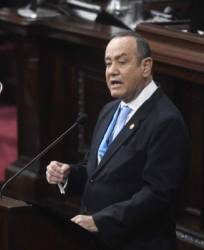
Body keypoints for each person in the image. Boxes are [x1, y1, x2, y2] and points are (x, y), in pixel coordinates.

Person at [46, 31, 190, 250]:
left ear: (146, 66)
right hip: (98, 240)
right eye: (107, 63)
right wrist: (69, 174)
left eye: (122, 62)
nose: (112, 71)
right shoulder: (109, 110)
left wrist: (101, 222)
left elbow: (158, 195)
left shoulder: (166, 121)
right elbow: (98, 171)